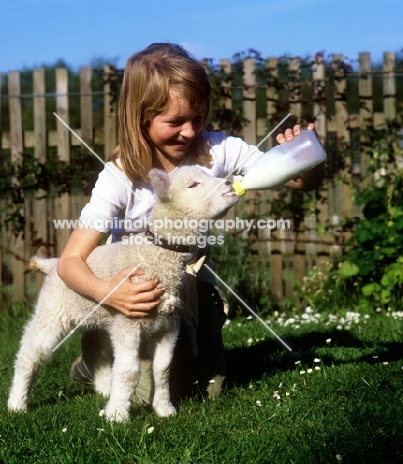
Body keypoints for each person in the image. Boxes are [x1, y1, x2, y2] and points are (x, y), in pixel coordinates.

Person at [57, 43, 323, 404]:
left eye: (197, 117)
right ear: (140, 117)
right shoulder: (120, 177)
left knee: (209, 392)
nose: (189, 131)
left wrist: (305, 160)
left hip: (193, 285)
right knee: (145, 397)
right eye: (175, 122)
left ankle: (197, 337)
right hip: (137, 291)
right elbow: (69, 262)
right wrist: (111, 294)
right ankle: (94, 356)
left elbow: (297, 181)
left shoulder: (217, 149)